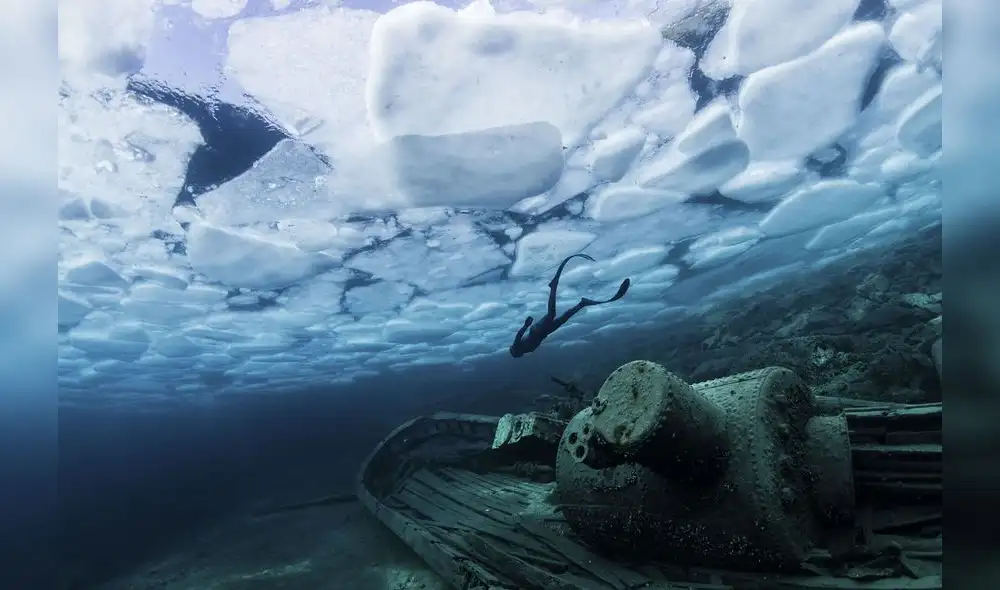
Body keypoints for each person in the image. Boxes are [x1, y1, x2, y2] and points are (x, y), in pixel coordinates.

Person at [509, 254, 630, 358]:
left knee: (552, 314)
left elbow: (519, 335)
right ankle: (582, 304)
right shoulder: (526, 350)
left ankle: (553, 286)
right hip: (544, 332)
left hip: (537, 330)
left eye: (515, 353)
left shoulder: (517, 347)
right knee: (562, 320)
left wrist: (526, 325)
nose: (517, 354)